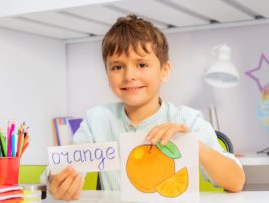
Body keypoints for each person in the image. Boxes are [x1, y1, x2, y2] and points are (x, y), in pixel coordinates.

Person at [40, 14, 245, 200]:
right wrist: (55, 182)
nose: (129, 75)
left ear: (164, 70)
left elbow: (236, 182)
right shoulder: (97, 120)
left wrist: (192, 144)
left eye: (142, 64)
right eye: (117, 67)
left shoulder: (188, 120)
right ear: (107, 75)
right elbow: (56, 170)